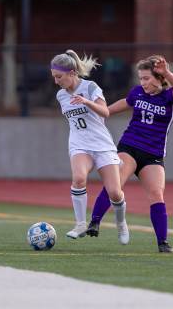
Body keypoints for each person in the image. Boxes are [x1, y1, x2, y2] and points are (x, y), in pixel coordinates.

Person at [85, 55, 173, 253]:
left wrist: (167, 72)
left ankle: (162, 243)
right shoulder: (138, 93)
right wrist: (97, 111)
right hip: (130, 147)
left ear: (159, 78)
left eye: (147, 78)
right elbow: (114, 108)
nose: (143, 83)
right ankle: (94, 222)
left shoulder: (169, 97)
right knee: (116, 183)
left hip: (153, 154)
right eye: (140, 78)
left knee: (156, 194)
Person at [51, 49, 129, 244]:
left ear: (72, 73)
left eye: (59, 76)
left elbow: (105, 113)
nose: (56, 81)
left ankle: (121, 224)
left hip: (102, 144)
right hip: (79, 144)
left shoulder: (91, 87)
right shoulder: (61, 95)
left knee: (115, 192)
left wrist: (86, 102)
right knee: (78, 178)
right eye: (54, 77)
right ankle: (80, 224)